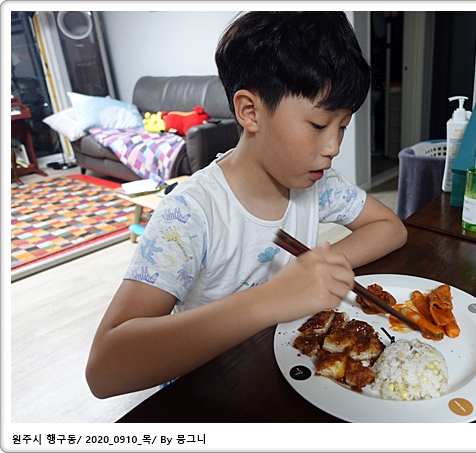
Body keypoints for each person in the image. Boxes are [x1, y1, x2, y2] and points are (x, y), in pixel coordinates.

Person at [86, 11, 407, 399]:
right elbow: (103, 370)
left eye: (343, 126)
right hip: (205, 388)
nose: (333, 147)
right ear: (250, 112)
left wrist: (319, 270)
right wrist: (271, 298)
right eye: (319, 125)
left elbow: (390, 228)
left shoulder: (317, 183)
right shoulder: (190, 214)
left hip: (283, 366)